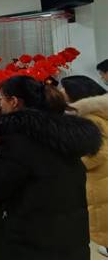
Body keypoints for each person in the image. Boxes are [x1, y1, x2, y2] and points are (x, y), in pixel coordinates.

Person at [0, 75, 102, 260]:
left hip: (30, 242)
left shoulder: (19, 139)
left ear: (14, 101)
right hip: (69, 239)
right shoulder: (61, 133)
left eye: (1, 98)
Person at [61, 75, 108, 257]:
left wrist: (69, 163)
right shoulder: (98, 113)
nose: (60, 92)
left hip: (99, 183)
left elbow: (98, 154)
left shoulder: (90, 118)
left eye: (64, 88)